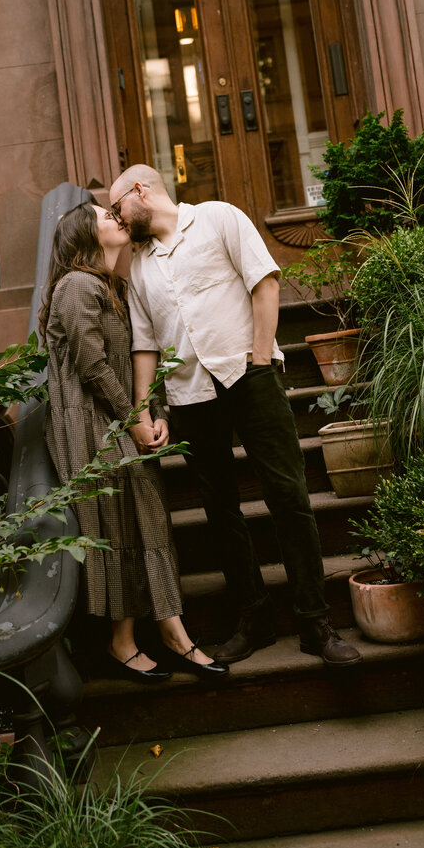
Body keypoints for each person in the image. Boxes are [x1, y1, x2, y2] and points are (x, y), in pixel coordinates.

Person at [107, 165, 362, 669]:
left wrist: (261, 360)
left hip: (250, 376)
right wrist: (142, 408)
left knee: (288, 496)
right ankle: (254, 617)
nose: (116, 220)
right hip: (189, 396)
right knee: (220, 510)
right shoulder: (138, 268)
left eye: (117, 208)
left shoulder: (219, 218)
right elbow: (144, 344)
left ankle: (315, 622)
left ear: (141, 190)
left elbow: (265, 282)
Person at [40, 195, 227, 684]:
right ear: (86, 234)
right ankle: (128, 641)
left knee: (145, 521)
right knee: (118, 527)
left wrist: (154, 413)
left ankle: (168, 631)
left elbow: (135, 360)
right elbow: (92, 364)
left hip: (116, 420)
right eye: (105, 215)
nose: (116, 216)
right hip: (87, 426)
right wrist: (134, 420)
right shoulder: (76, 285)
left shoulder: (111, 285)